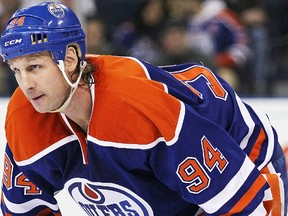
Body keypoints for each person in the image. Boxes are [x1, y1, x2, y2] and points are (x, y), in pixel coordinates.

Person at [0, 2, 287, 216]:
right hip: (160, 189)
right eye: (16, 70)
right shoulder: (23, 118)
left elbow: (240, 202)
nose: (26, 84)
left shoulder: (135, 106)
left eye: (35, 67)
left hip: (243, 153)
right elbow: (24, 210)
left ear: (71, 58)